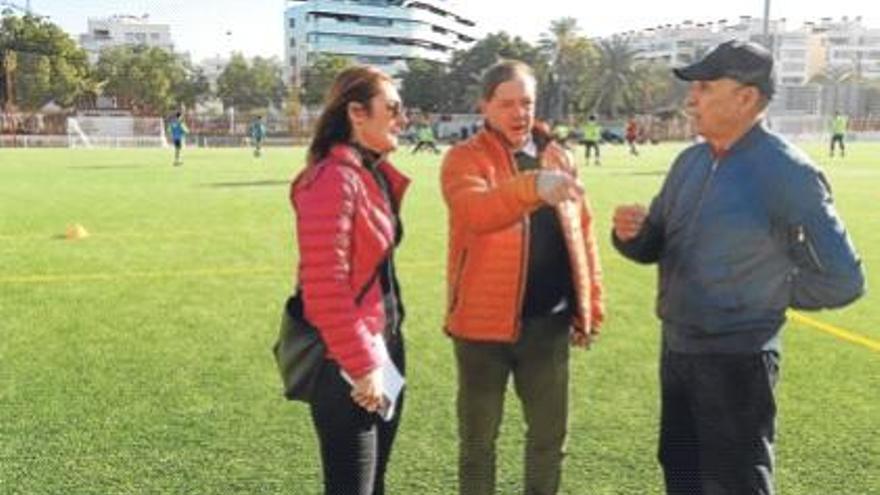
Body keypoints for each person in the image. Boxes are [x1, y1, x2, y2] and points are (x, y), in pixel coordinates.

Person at [612, 40, 866, 495]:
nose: (692, 99)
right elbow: (656, 245)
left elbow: (844, 279)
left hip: (739, 360)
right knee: (682, 472)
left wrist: (764, 291)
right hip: (679, 351)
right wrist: (632, 235)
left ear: (746, 98)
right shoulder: (689, 162)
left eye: (706, 87)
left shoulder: (789, 173)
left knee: (735, 483)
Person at [441, 60, 605, 495]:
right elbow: (477, 212)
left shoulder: (560, 155)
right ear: (485, 106)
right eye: (507, 103)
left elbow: (582, 233)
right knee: (478, 443)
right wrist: (533, 187)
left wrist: (592, 305)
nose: (519, 113)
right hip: (481, 329)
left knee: (549, 441)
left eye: (527, 102)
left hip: (548, 327)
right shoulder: (464, 159)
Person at [289, 65, 410, 495]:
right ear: (357, 113)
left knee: (374, 484)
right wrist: (361, 366)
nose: (403, 118)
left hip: (384, 347)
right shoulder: (333, 180)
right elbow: (324, 289)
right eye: (393, 108)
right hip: (345, 361)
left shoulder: (369, 172)